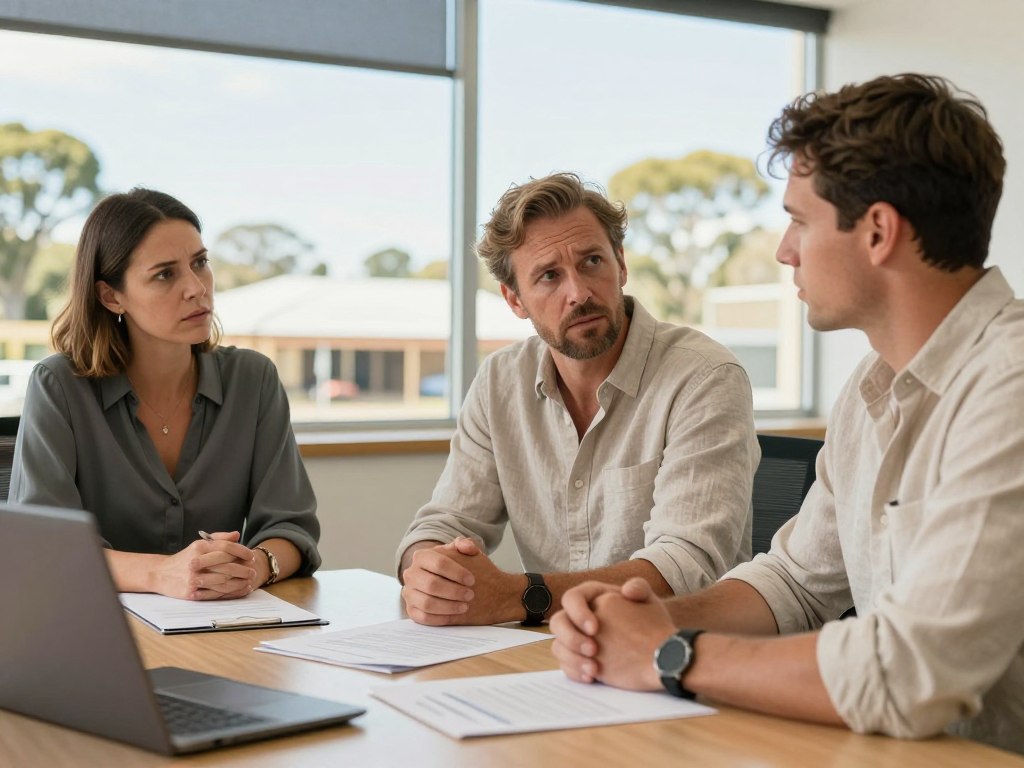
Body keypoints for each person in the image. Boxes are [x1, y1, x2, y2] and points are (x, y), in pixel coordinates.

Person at [550, 73, 1024, 754]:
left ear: (879, 232)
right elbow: (796, 581)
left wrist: (671, 655)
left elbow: (914, 670)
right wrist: (645, 621)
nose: (783, 249)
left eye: (800, 220)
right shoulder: (874, 389)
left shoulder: (1009, 386)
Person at [397, 172, 759, 626]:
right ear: (515, 300)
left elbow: (685, 564)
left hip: (676, 656)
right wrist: (429, 572)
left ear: (621, 265)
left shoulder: (703, 376)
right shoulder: (499, 381)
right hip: (549, 656)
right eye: (549, 276)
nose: (580, 293)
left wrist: (519, 596)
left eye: (591, 262)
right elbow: (444, 524)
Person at [11, 188, 321, 600]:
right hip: (94, 629)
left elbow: (291, 527)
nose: (196, 288)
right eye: (165, 274)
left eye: (200, 263)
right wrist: (161, 574)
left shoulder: (254, 378)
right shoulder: (60, 386)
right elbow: (44, 545)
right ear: (111, 295)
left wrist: (254, 566)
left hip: (224, 627)